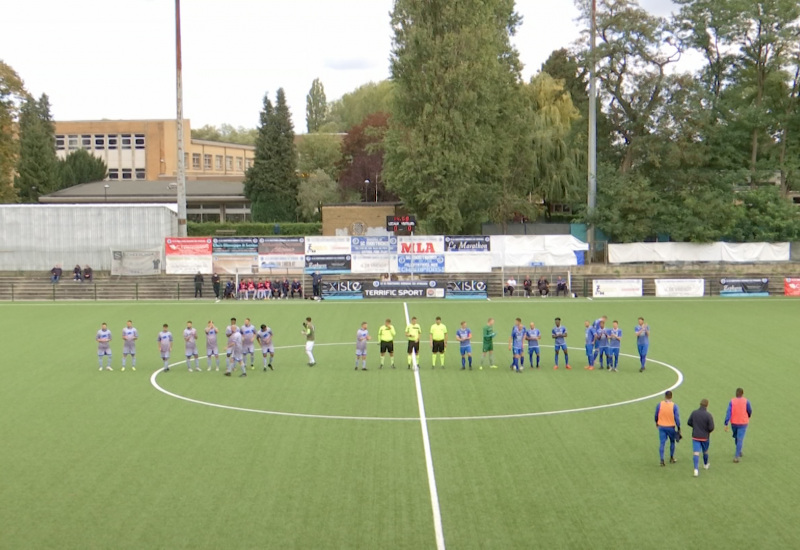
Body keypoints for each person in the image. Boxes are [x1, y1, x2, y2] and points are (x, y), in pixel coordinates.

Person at [687, 398, 714, 476]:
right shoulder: (708, 415)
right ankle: (705, 464)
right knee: (705, 451)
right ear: (707, 405)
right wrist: (707, 431)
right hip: (705, 437)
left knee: (696, 452)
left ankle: (696, 469)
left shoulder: (694, 413)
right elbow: (711, 427)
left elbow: (689, 422)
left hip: (695, 436)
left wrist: (695, 427)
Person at [724, 388, 752, 463]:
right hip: (743, 422)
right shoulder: (746, 401)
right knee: (739, 438)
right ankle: (738, 452)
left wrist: (726, 422)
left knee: (737, 438)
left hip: (734, 422)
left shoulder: (732, 401)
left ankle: (737, 455)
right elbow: (749, 410)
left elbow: (728, 412)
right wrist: (748, 416)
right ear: (742, 394)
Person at [655, 390, 681, 466]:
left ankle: (662, 460)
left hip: (662, 426)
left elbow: (656, 415)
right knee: (672, 442)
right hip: (671, 427)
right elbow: (677, 418)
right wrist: (679, 427)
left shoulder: (660, 405)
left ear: (665, 396)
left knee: (662, 443)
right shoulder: (674, 406)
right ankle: (671, 457)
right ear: (671, 397)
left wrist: (656, 422)